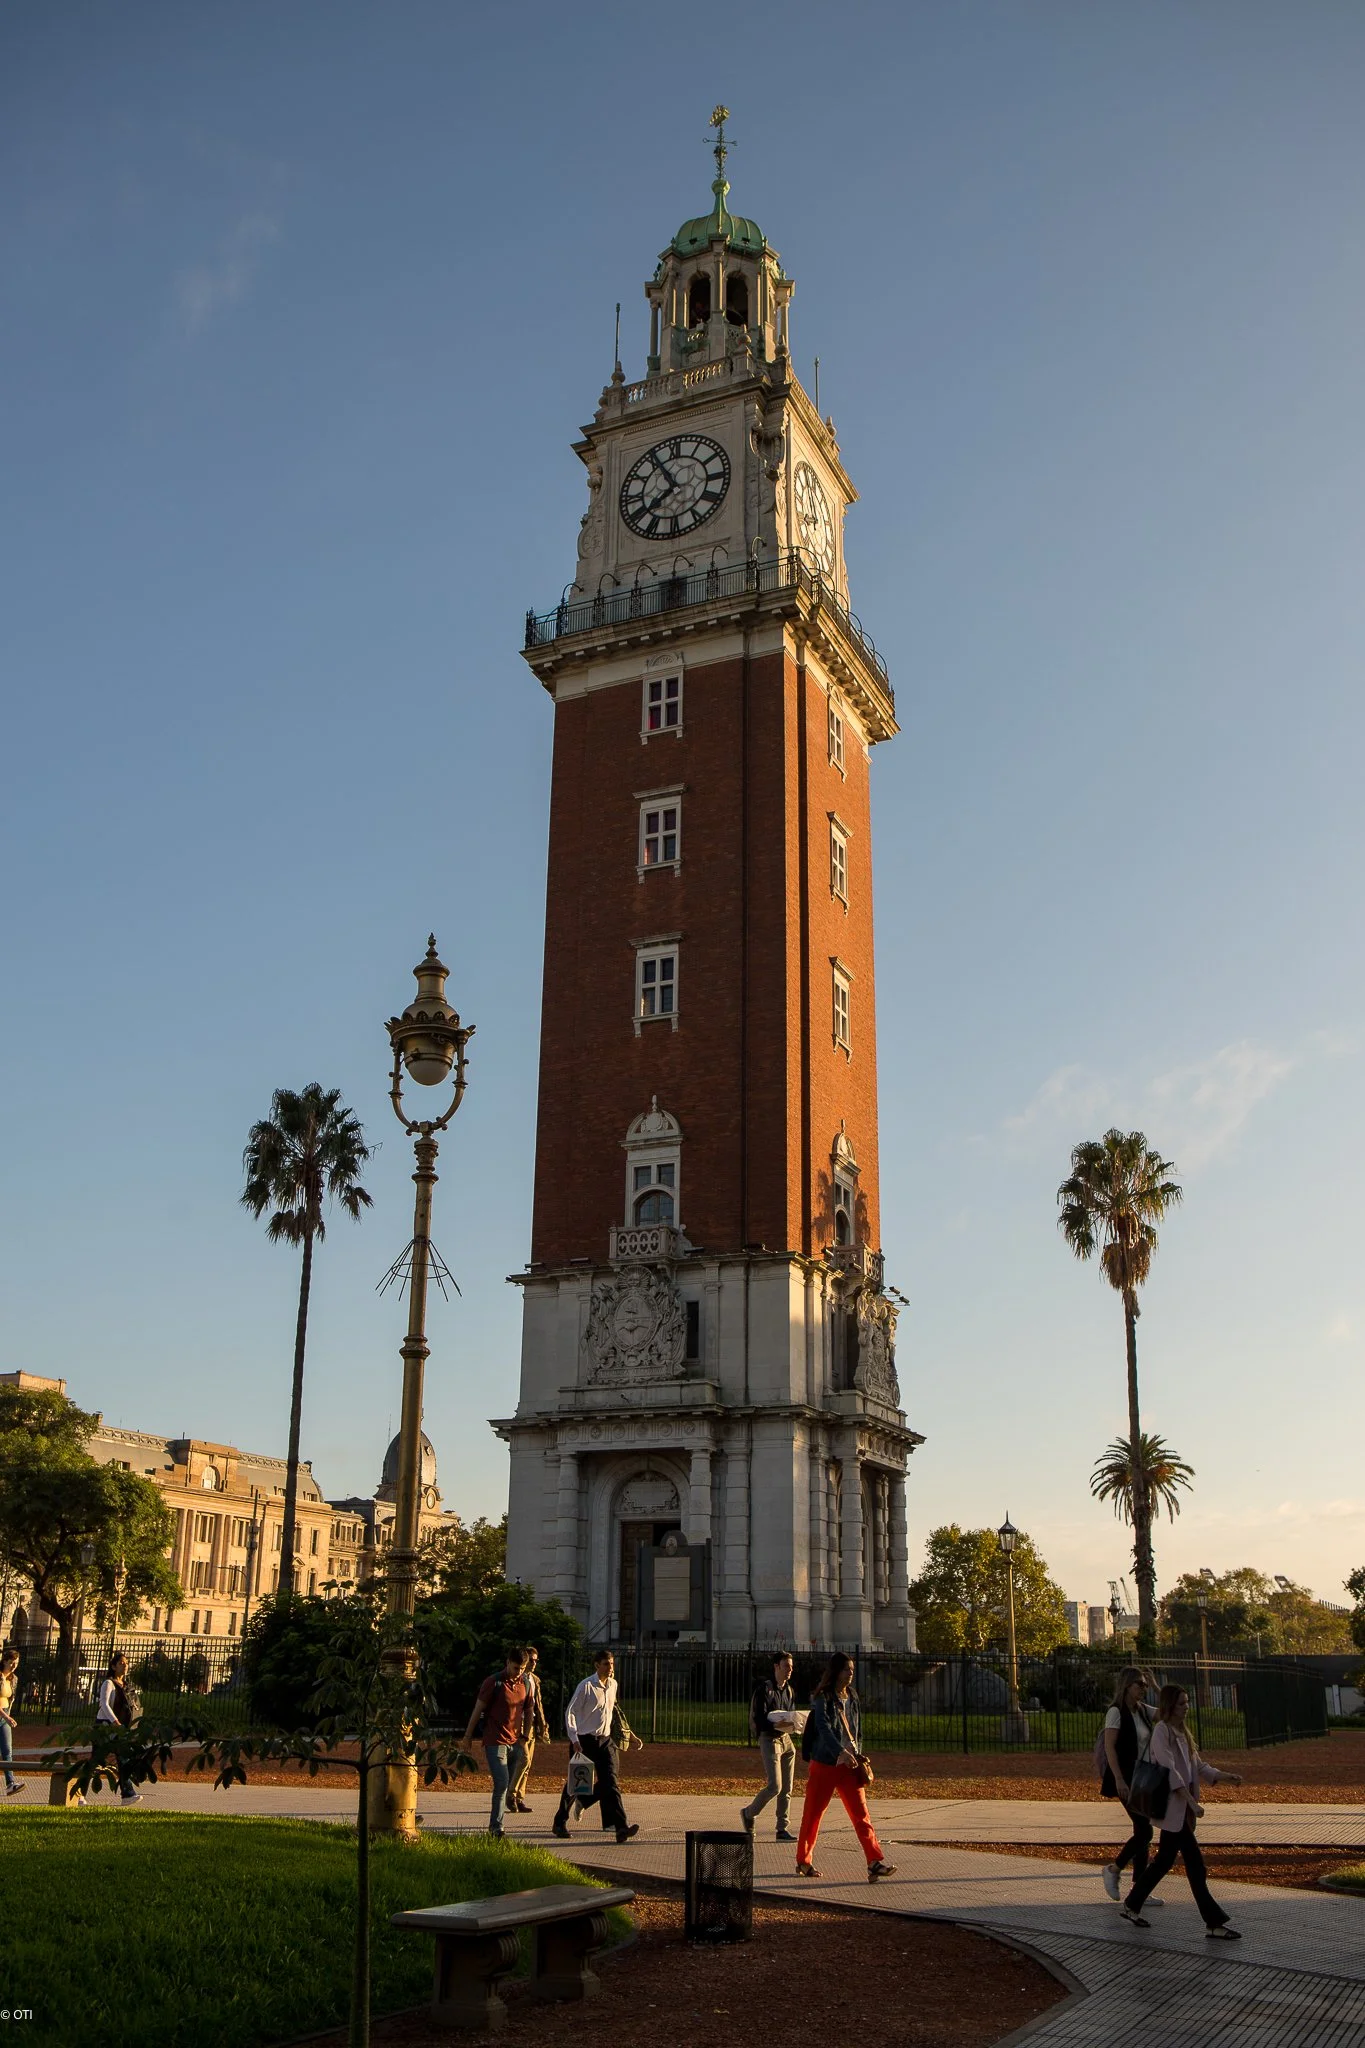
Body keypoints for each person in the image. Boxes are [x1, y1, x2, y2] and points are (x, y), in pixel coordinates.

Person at [1121, 1683, 1243, 1937]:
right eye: (1181, 1703)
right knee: (1195, 1865)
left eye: (1187, 1703)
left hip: (1179, 1813)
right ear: (1169, 1706)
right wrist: (1190, 1802)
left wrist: (1225, 1776)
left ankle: (1132, 1904)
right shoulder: (1161, 1732)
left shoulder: (1182, 1732)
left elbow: (1198, 1766)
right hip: (1174, 1809)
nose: (1186, 1707)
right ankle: (1213, 1922)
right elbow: (1170, 1772)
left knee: (1164, 1861)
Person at [795, 1652, 896, 1882]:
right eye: (846, 1669)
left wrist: (856, 1752)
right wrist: (839, 1752)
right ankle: (804, 1860)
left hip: (850, 1765)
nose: (851, 1673)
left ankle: (874, 1861)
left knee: (861, 1814)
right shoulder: (824, 1698)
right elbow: (823, 1727)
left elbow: (856, 1728)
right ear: (836, 1672)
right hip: (826, 1763)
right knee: (813, 1814)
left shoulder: (852, 1696)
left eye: (852, 1669)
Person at [552, 1649, 640, 1845]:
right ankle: (560, 1822)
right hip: (584, 1741)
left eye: (612, 1664)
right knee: (576, 1785)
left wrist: (628, 1734)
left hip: (606, 1741)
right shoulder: (586, 1686)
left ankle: (621, 1827)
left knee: (611, 1783)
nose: (610, 1668)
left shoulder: (613, 1685)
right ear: (596, 1665)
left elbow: (613, 1712)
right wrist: (574, 1738)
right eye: (606, 1664)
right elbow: (571, 1712)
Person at [1100, 1667, 1163, 1906]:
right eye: (1141, 1684)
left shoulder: (1143, 1711)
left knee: (1143, 1829)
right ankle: (1114, 1869)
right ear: (1127, 1685)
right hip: (1126, 1778)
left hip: (1144, 1777)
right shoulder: (1116, 1712)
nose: (1143, 1689)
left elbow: (1171, 1713)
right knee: (1145, 1831)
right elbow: (1110, 1748)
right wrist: (1118, 1779)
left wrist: (1158, 1687)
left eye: (1146, 1685)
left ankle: (1139, 1889)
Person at [460, 1647, 531, 1839]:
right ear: (507, 1663)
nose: (520, 1672)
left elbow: (528, 1709)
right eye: (516, 1668)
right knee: (501, 1782)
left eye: (523, 1668)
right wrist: (467, 1737)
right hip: (495, 1739)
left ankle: (498, 1823)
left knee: (506, 1784)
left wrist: (525, 1736)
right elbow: (478, 1709)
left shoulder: (525, 1682)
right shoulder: (494, 1682)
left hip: (515, 1740)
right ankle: (496, 1828)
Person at [740, 1651, 798, 1842]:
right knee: (775, 1786)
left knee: (787, 1788)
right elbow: (759, 1718)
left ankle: (782, 1828)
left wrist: (794, 1724)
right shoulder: (765, 1689)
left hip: (786, 1739)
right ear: (776, 1667)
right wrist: (776, 1723)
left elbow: (790, 1714)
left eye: (791, 1666)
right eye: (786, 1666)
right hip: (770, 1738)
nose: (790, 1670)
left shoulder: (788, 1690)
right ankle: (749, 1813)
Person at [508, 1644, 550, 1813]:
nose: (534, 1663)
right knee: (522, 1760)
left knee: (528, 1763)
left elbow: (537, 1705)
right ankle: (510, 1795)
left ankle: (519, 1797)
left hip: (530, 1725)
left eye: (535, 1660)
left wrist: (542, 1724)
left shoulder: (535, 1679)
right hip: (518, 1724)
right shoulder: (517, 1678)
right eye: (531, 1660)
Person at [93, 1652, 140, 1804]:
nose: (125, 1665)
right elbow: (104, 1704)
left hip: (120, 1727)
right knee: (97, 1761)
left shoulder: (126, 1686)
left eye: (126, 1663)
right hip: (106, 1726)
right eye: (121, 1663)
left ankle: (127, 1794)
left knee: (123, 1759)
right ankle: (80, 1793)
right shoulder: (109, 1683)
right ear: (113, 1666)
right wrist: (115, 1722)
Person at [0, 1648, 24, 1797]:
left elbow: (10, 1699)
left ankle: (10, 1784)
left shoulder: (13, 1679)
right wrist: (6, 1717)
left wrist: (9, 1715)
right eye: (11, 1663)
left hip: (5, 1715)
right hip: (2, 1714)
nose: (14, 1666)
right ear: (4, 1661)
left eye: (16, 1663)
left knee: (7, 1751)